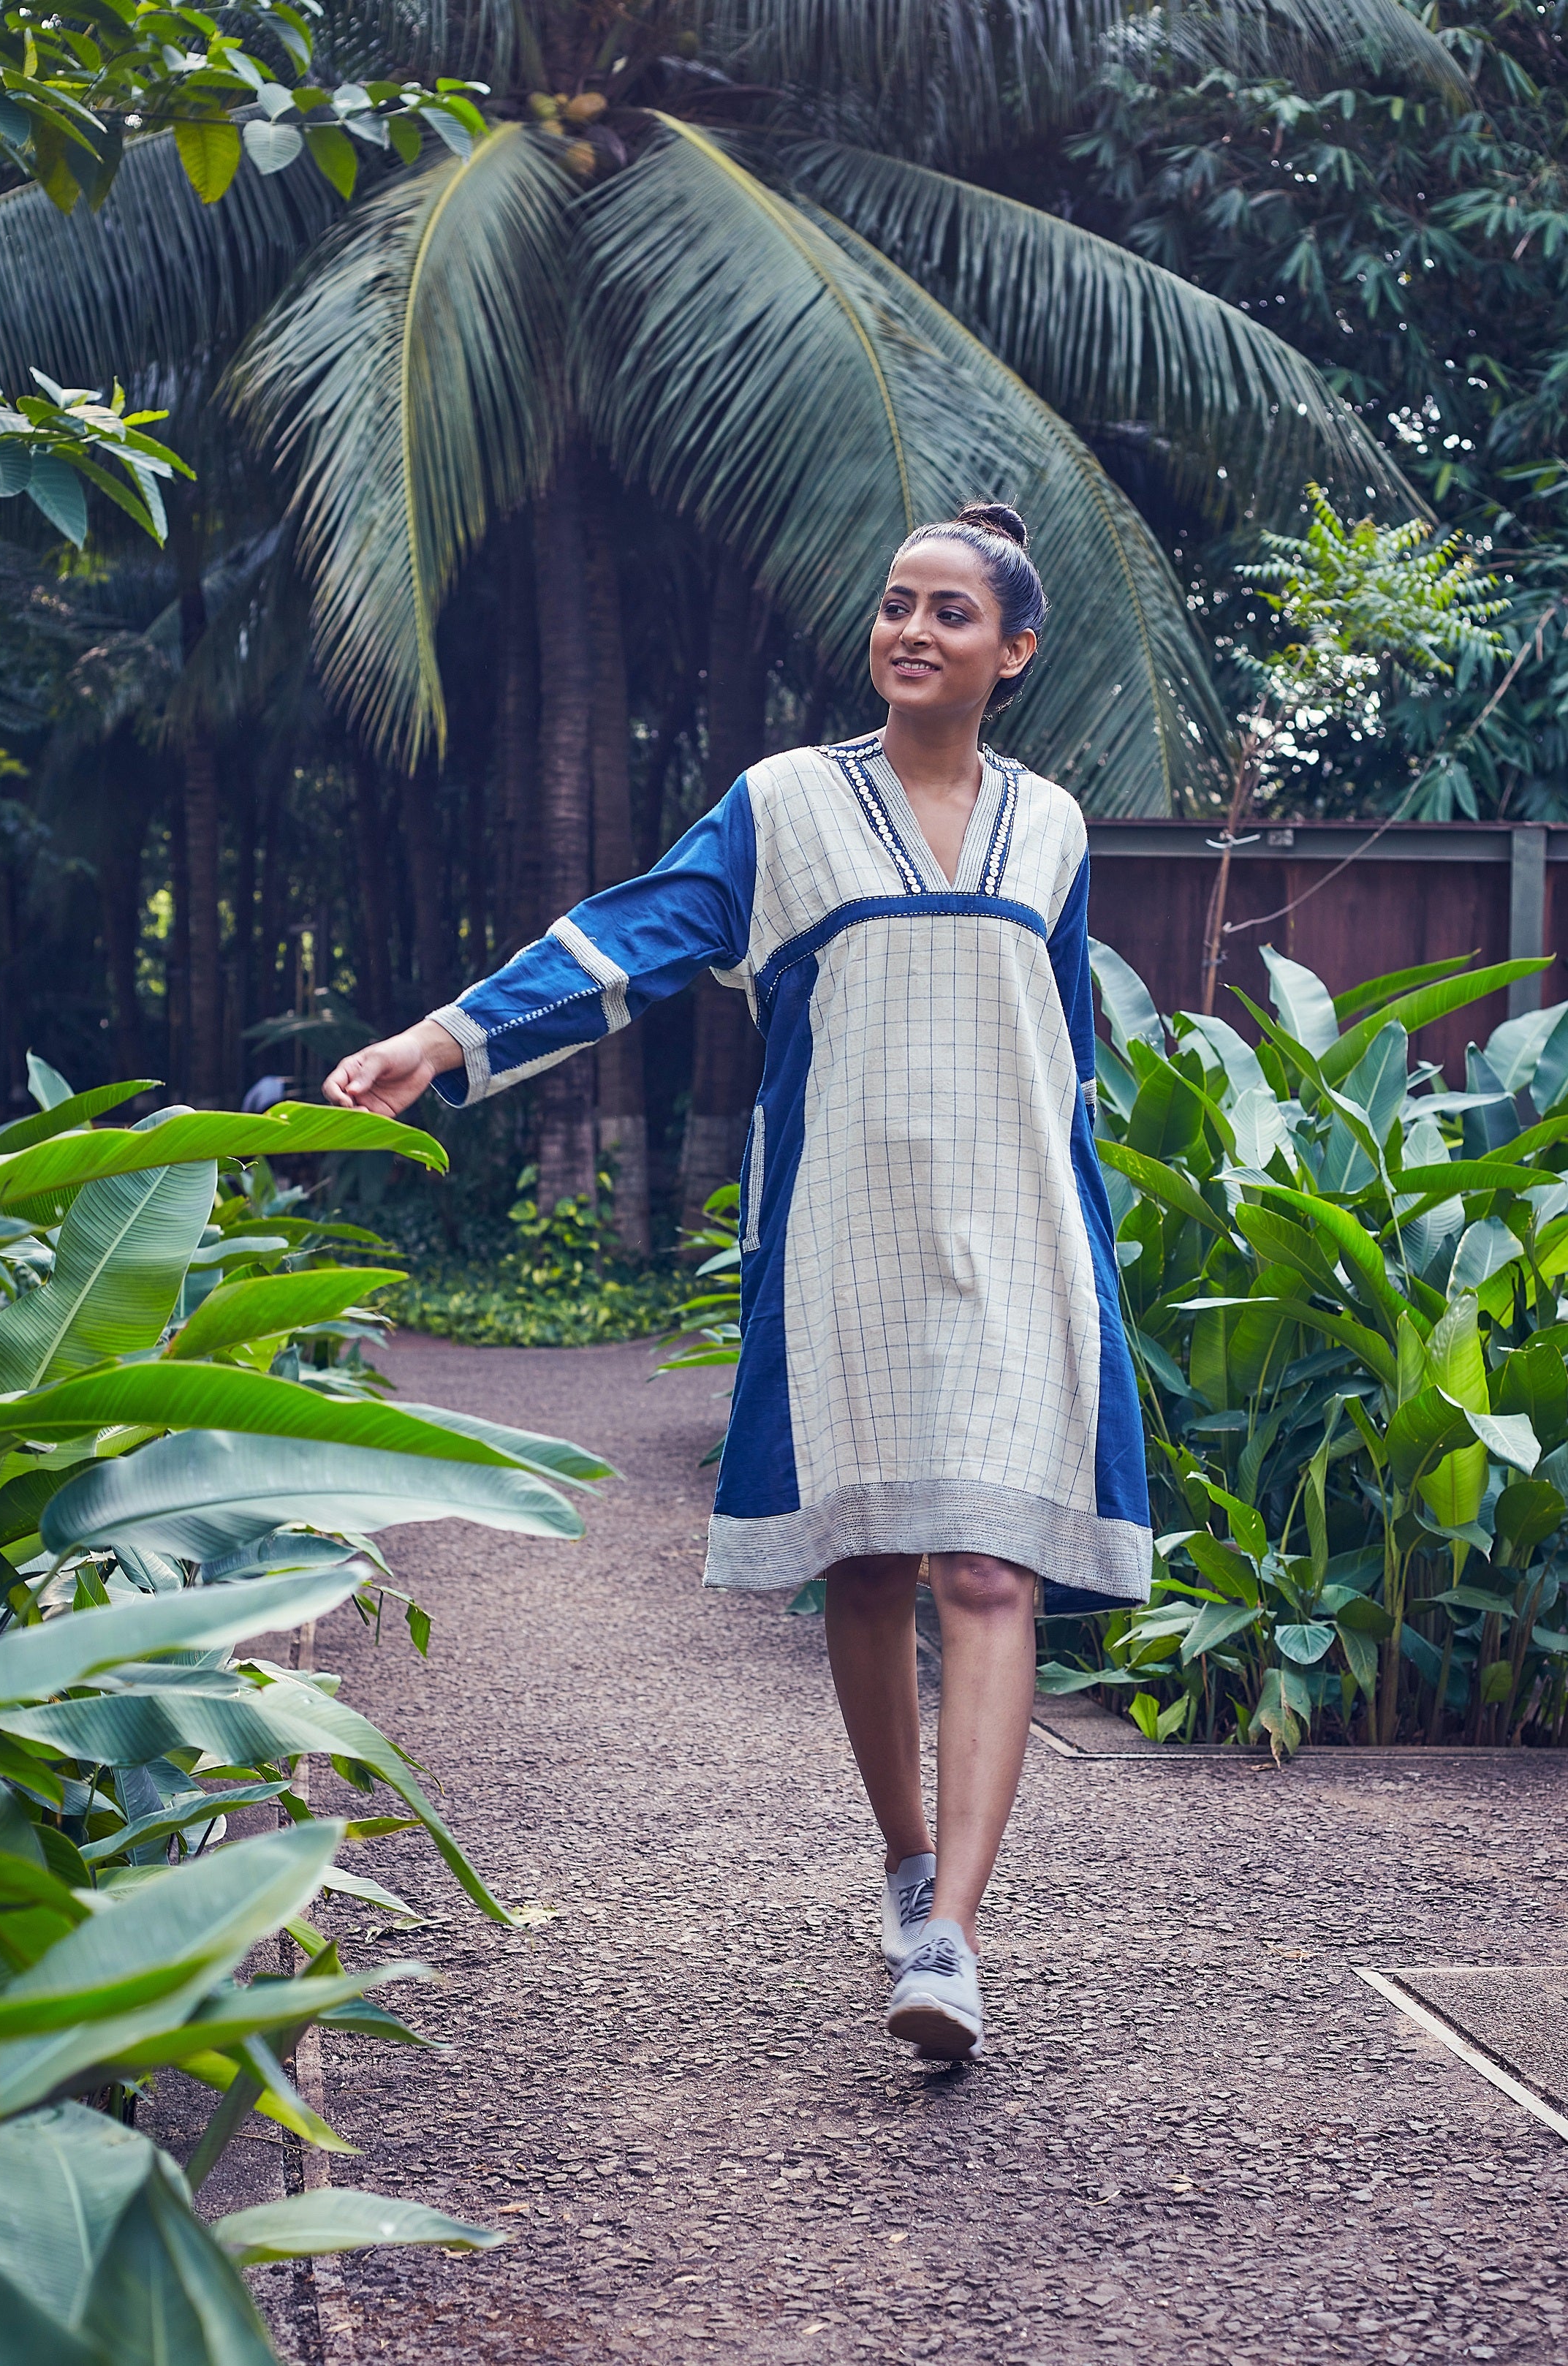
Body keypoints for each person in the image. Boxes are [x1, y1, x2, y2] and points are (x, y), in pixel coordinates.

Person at [325, 502, 1152, 2063]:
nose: (910, 630)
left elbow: (1063, 1067)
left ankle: (951, 1937)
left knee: (986, 1572)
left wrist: (1091, 1265)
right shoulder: (783, 805)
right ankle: (903, 1862)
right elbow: (628, 938)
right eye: (894, 603)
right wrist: (442, 1040)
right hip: (842, 1235)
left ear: (1013, 652)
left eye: (949, 613)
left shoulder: (1051, 828)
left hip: (1015, 1234)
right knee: (865, 1570)